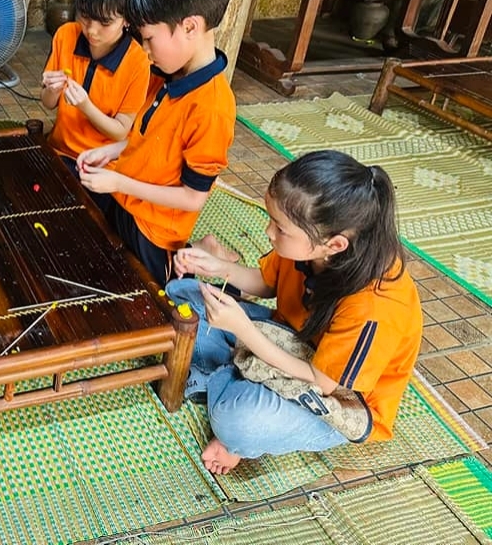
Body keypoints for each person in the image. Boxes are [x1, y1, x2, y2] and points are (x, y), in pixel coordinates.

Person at [167, 150, 422, 476]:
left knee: (238, 422)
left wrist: (243, 330)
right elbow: (265, 282)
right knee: (181, 296)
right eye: (272, 220)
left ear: (335, 245)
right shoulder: (307, 243)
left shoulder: (377, 304)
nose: (269, 233)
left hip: (338, 399)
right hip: (287, 340)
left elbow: (323, 382)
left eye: (281, 228)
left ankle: (224, 388)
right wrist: (218, 267)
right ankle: (229, 377)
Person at [76, 0, 236, 283]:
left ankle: (204, 260)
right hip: (128, 203)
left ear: (190, 26)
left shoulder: (212, 106)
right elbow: (151, 138)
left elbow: (193, 198)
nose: (144, 52)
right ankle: (202, 251)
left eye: (148, 39)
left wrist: (118, 181)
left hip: (156, 231)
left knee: (154, 300)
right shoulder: (168, 73)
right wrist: (113, 151)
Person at [40, 0, 150, 175]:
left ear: (128, 19)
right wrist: (51, 90)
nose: (91, 30)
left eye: (105, 22)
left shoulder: (137, 62)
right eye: (86, 16)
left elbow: (120, 132)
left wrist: (85, 106)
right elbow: (48, 103)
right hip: (59, 152)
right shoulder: (66, 35)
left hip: (102, 166)